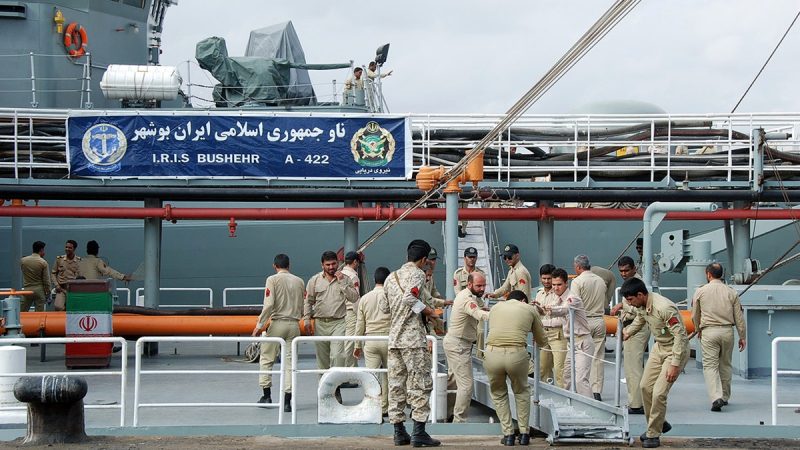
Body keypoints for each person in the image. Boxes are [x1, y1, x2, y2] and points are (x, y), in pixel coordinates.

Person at [384, 239, 441, 447]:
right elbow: (410, 298)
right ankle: (419, 433)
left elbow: (384, 308)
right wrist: (429, 312)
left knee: (396, 385)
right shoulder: (418, 274)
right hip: (413, 340)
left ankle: (399, 432)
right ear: (423, 259)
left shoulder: (391, 277)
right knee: (420, 384)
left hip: (394, 340)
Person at [622, 277, 689, 449]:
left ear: (640, 295)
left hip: (675, 350)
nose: (629, 303)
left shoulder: (664, 308)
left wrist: (675, 364)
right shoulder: (642, 305)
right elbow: (640, 318)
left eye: (630, 299)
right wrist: (629, 331)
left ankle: (653, 434)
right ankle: (659, 422)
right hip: (659, 348)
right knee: (645, 387)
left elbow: (680, 336)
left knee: (659, 393)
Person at [484, 289, 547, 446]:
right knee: (521, 392)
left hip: (492, 353)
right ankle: (524, 434)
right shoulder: (529, 309)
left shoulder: (495, 308)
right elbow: (542, 340)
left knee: (498, 394)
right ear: (523, 301)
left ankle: (508, 435)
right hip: (516, 354)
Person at [251, 253, 305, 413]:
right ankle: (287, 402)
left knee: (267, 359)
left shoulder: (272, 280)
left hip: (277, 324)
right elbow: (302, 305)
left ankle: (266, 396)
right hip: (294, 325)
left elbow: (268, 304)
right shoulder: (299, 281)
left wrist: (259, 325)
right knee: (290, 364)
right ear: (289, 265)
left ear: (275, 266)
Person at [691, 263, 747, 412]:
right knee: (725, 365)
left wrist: (698, 329)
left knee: (710, 366)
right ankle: (725, 396)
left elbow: (695, 314)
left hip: (709, 331)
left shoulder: (700, 291)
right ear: (721, 274)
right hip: (727, 331)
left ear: (708, 274)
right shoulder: (731, 292)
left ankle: (716, 397)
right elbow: (739, 317)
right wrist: (742, 336)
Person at [444, 272, 489, 423]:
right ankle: (459, 421)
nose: (482, 288)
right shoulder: (466, 299)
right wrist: (500, 315)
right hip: (459, 345)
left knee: (453, 381)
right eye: (479, 285)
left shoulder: (471, 296)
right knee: (466, 385)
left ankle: (446, 413)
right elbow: (478, 314)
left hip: (457, 343)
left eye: (484, 285)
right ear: (469, 284)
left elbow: (482, 308)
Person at [304, 250, 359, 372]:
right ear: (322, 265)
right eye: (327, 264)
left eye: (333, 264)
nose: (331, 267)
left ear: (338, 263)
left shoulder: (345, 279)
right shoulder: (314, 280)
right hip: (320, 324)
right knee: (322, 360)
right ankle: (324, 384)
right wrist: (306, 320)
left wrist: (342, 282)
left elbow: (354, 297)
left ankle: (337, 382)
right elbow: (308, 301)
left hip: (339, 323)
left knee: (337, 356)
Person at [543, 268, 595, 397]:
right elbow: (557, 319)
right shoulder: (558, 299)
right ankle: (567, 404)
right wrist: (540, 314)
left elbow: (563, 310)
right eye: (554, 285)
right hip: (571, 343)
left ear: (566, 283)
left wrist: (549, 310)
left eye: (559, 284)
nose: (555, 288)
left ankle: (589, 407)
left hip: (582, 342)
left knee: (580, 380)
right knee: (566, 377)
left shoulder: (572, 298)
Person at [610, 255, 649, 414]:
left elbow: (639, 310)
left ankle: (636, 404)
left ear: (634, 268)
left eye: (626, 270)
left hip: (636, 327)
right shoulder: (633, 282)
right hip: (633, 327)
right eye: (621, 271)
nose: (623, 274)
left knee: (633, 368)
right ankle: (641, 401)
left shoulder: (638, 284)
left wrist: (623, 306)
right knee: (636, 366)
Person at [354, 266, 392, 417]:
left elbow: (360, 324)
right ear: (388, 280)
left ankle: (373, 407)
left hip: (370, 340)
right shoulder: (392, 296)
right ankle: (386, 407)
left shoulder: (364, 298)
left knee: (372, 376)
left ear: (374, 279)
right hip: (389, 339)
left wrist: (357, 345)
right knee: (389, 375)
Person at [570, 254, 608, 401]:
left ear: (578, 267)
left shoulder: (577, 282)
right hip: (599, 320)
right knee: (598, 357)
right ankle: (597, 391)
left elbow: (573, 304)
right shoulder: (600, 281)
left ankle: (583, 389)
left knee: (582, 357)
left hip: (583, 322)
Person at [535, 264, 566, 388]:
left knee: (560, 369)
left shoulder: (559, 294)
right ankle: (546, 394)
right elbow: (539, 314)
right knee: (543, 368)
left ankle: (564, 395)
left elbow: (561, 318)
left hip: (558, 335)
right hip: (543, 334)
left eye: (549, 278)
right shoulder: (539, 293)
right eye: (544, 278)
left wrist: (541, 323)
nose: (546, 281)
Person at [453, 247, 486, 356]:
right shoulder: (458, 274)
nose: (472, 259)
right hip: (465, 308)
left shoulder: (480, 273)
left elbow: (480, 292)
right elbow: (458, 293)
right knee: (464, 333)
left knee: (481, 332)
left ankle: (479, 357)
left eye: (474, 257)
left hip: (478, 306)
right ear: (465, 258)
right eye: (469, 257)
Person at [341, 251, 361, 368]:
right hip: (351, 312)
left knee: (343, 340)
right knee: (350, 341)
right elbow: (355, 298)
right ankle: (349, 368)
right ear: (355, 262)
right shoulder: (352, 276)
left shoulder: (340, 273)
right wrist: (360, 314)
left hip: (340, 312)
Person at [20, 241, 51, 312]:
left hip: (27, 289)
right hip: (39, 291)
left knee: (22, 312)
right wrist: (48, 293)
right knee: (39, 314)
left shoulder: (23, 260)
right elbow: (46, 280)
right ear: (41, 250)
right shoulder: (43, 262)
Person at [51, 239, 81, 311]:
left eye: (70, 248)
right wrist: (56, 285)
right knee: (58, 307)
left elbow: (81, 277)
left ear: (74, 249)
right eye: (66, 247)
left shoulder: (79, 261)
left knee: (75, 308)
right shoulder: (59, 259)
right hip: (61, 289)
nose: (67, 249)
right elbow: (53, 273)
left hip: (74, 290)